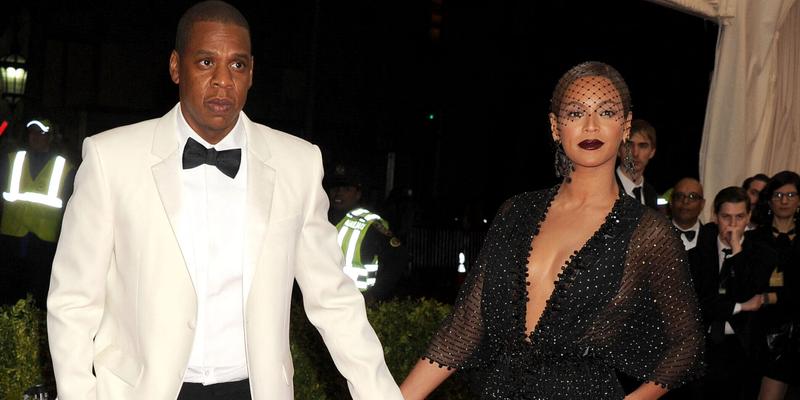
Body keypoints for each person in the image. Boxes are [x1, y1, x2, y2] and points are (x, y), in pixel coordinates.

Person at [46, 2, 403, 399]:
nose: (222, 81)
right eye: (205, 62)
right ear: (176, 67)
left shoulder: (297, 164)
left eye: (237, 65)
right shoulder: (112, 158)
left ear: (251, 73)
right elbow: (74, 301)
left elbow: (334, 299)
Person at [400, 61, 704, 399]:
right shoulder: (516, 212)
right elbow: (465, 326)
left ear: (625, 126)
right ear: (555, 127)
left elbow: (687, 342)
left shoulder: (648, 231)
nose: (591, 126)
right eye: (575, 113)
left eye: (605, 112)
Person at [688, 187, 776, 399]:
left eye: (739, 217)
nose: (733, 225)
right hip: (704, 346)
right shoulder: (696, 256)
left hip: (743, 348)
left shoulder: (764, 254)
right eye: (726, 217)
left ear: (748, 217)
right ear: (715, 217)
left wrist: (737, 250)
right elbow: (702, 302)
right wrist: (740, 307)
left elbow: (746, 291)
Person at [0, 118, 74, 306]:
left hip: (44, 241)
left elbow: (71, 206)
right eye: (32, 132)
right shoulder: (12, 160)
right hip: (12, 237)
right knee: (9, 294)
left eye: (41, 133)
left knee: (37, 295)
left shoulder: (64, 167)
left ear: (50, 137)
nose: (35, 137)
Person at [748, 171, 800, 400]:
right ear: (769, 200)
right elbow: (746, 284)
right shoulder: (754, 239)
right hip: (761, 328)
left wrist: (772, 297)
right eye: (778, 195)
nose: (785, 200)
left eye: (790, 194)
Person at [326, 164, 406, 303]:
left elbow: (397, 258)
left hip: (358, 304)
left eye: (346, 189)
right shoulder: (321, 219)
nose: (338, 193)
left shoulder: (370, 224)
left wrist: (375, 294)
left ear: (358, 194)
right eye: (335, 188)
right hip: (324, 300)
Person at [616, 119, 659, 210]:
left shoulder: (651, 194)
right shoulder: (604, 188)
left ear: (652, 152)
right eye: (629, 145)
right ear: (618, 149)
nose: (635, 153)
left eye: (642, 146)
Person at [670, 178, 705, 251]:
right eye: (679, 196)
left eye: (692, 197)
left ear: (702, 204)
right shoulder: (657, 236)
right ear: (671, 202)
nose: (685, 201)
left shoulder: (713, 237)